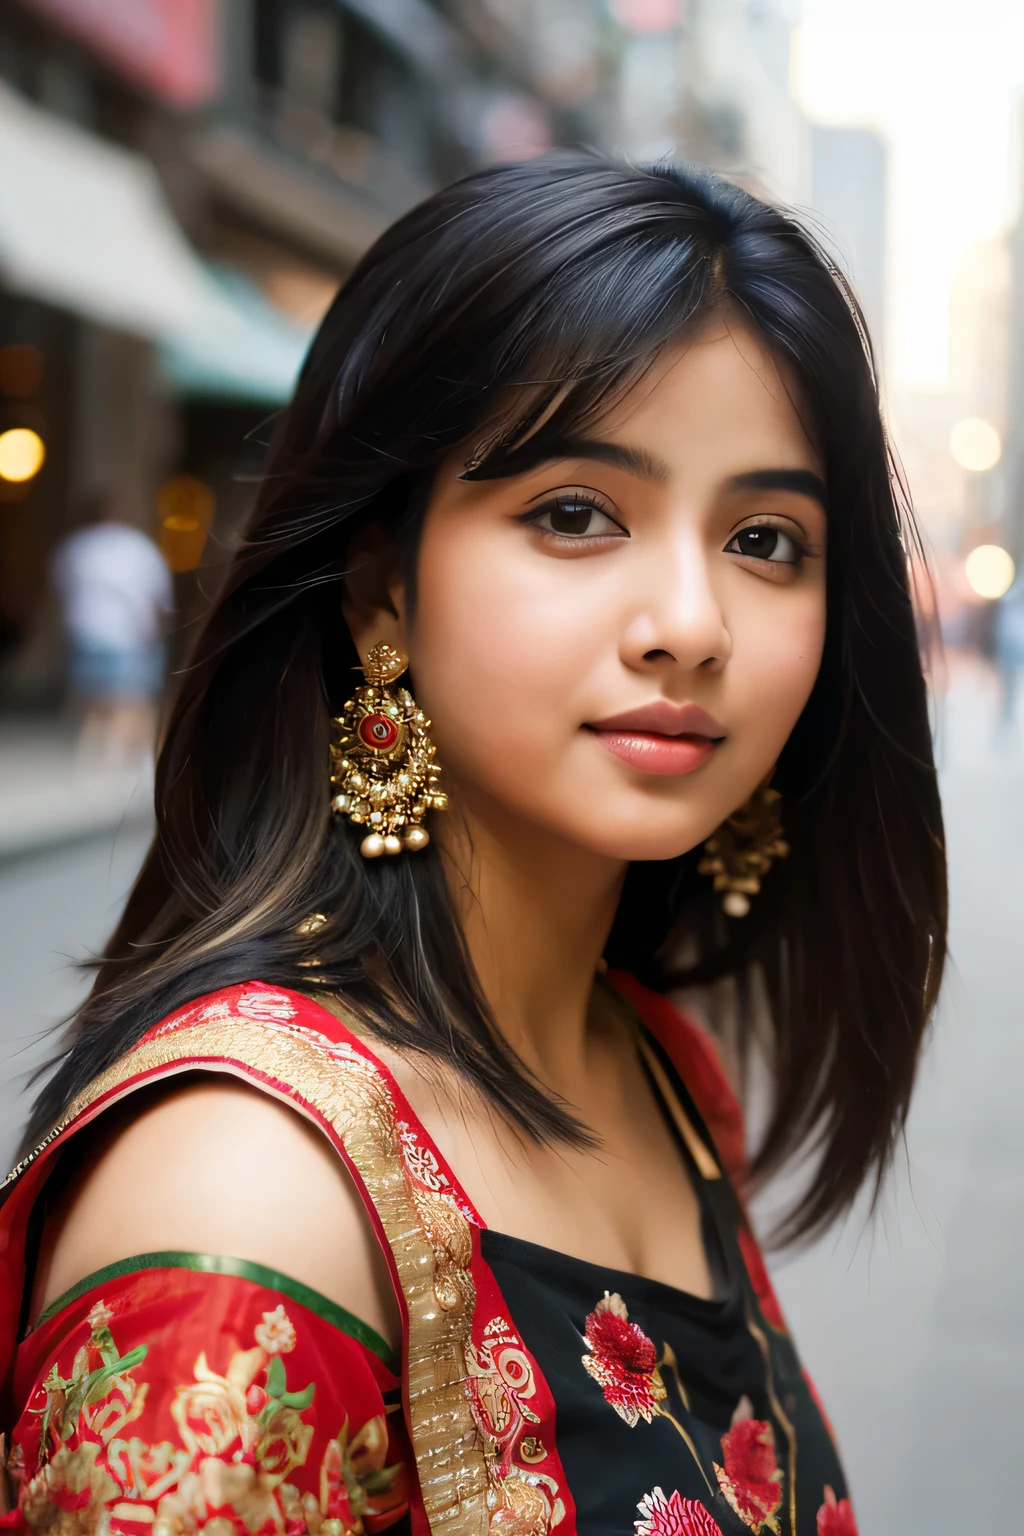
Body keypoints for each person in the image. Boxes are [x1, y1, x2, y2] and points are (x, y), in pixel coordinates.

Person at [0, 156, 945, 1536]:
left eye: (764, 537)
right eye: (576, 513)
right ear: (386, 593)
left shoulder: (660, 1068)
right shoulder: (243, 1207)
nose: (691, 622)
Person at [51, 491, 172, 762]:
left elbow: (61, 590)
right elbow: (159, 597)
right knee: (131, 699)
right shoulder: (139, 547)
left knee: (94, 698)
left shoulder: (76, 546)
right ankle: (127, 759)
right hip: (127, 636)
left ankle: (96, 757)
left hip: (84, 632)